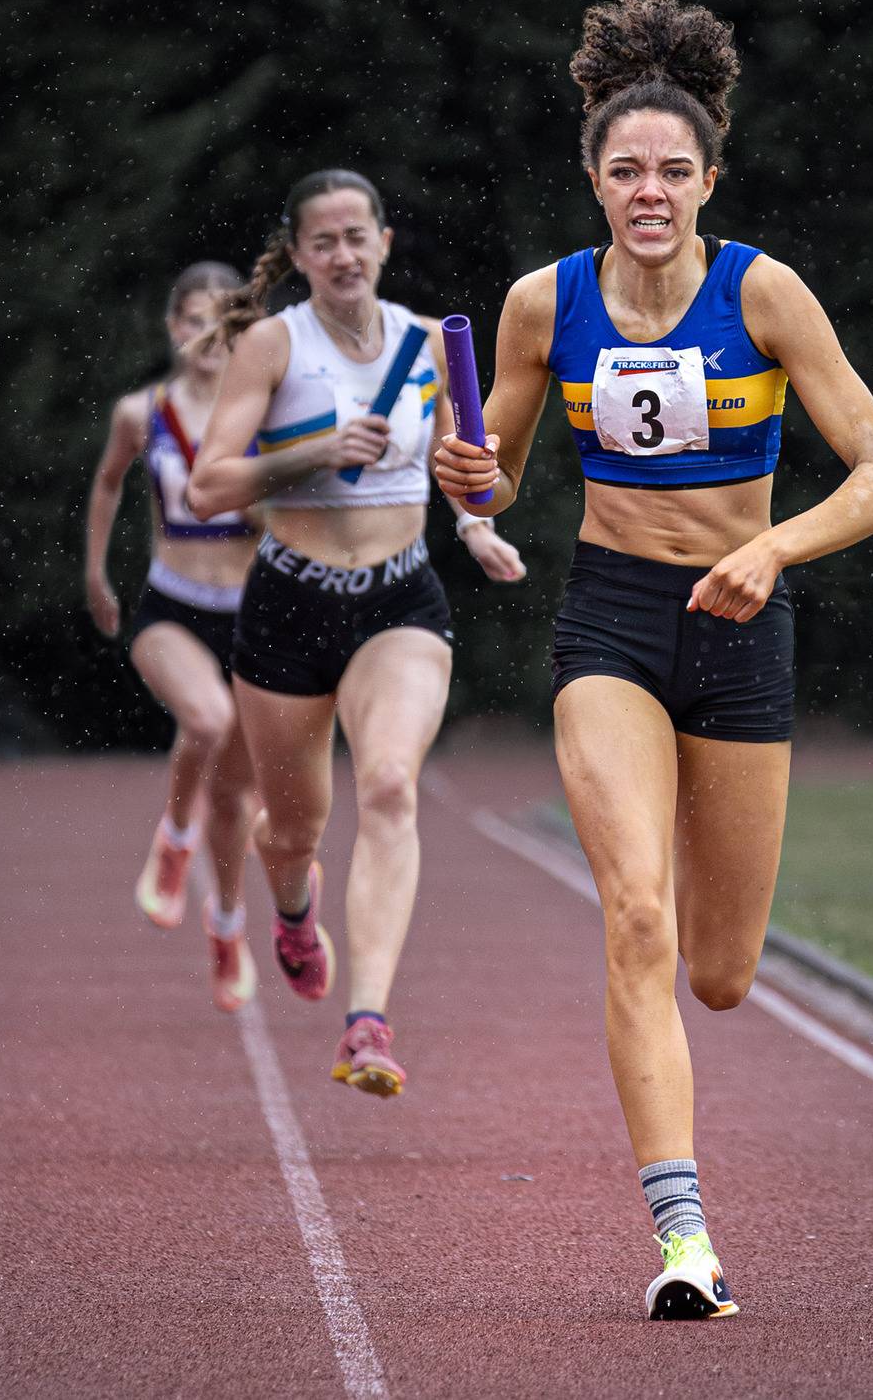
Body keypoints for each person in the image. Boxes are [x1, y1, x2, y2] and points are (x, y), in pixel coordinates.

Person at [434, 0, 873, 1319]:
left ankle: (690, 1137)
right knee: (634, 917)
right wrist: (465, 477)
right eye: (625, 170)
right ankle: (684, 1239)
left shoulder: (763, 293)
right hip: (612, 621)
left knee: (719, 972)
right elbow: (496, 477)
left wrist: (774, 550)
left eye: (672, 171)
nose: (648, 191)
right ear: (593, 180)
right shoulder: (542, 304)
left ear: (709, 181)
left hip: (743, 625)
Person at [186, 169, 526, 1096]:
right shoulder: (272, 344)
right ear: (299, 255)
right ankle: (294, 908)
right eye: (323, 241)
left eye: (356, 236)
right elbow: (207, 487)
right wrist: (312, 453)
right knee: (295, 828)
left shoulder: (430, 343)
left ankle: (366, 1024)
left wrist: (479, 528)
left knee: (387, 786)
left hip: (398, 602)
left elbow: (470, 470)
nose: (343, 254)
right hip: (289, 605)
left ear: (384, 242)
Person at [85, 262, 260, 1014]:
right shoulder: (141, 412)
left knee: (239, 800)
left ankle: (227, 925)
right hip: (172, 608)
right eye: (194, 319)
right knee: (207, 720)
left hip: (253, 617)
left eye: (225, 321)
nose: (208, 335)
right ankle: (174, 838)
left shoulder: (268, 415)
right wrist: (95, 573)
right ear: (172, 327)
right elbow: (108, 482)